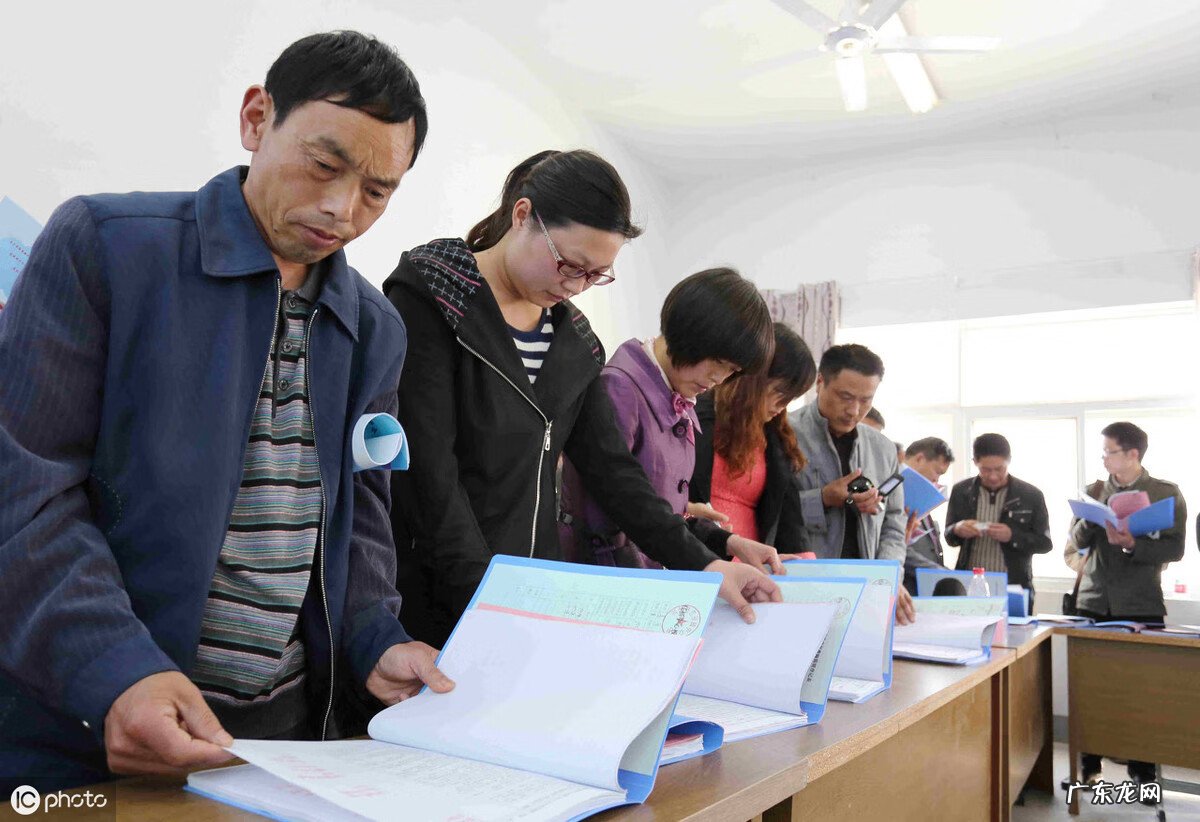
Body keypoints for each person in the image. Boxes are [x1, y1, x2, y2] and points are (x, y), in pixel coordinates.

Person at [0, 32, 452, 792]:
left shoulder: (374, 328)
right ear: (255, 119)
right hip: (93, 721)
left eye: (378, 191)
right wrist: (114, 667)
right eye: (324, 163)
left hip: (281, 740)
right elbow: (24, 489)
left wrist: (378, 638)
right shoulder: (107, 249)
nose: (342, 207)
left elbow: (360, 522)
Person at [384, 150, 780, 648]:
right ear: (523, 215)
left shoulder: (575, 341)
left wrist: (708, 563)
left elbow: (614, 472)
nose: (576, 285)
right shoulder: (436, 298)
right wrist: (486, 598)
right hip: (438, 591)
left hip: (529, 594)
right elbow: (429, 471)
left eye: (596, 275)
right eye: (569, 264)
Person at [559, 268, 781, 568]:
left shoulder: (679, 395)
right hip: (610, 576)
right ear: (691, 332)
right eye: (718, 362)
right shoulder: (620, 388)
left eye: (731, 370)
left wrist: (726, 541)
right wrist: (709, 562)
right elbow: (622, 508)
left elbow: (663, 509)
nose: (719, 378)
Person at [1063, 422, 1187, 789]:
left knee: (1142, 690)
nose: (1104, 459)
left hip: (1141, 602)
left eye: (1109, 452)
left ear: (1132, 454)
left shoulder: (1165, 493)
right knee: (1088, 691)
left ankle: (1142, 769)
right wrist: (1094, 518)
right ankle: (1089, 766)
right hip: (1093, 602)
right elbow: (1075, 541)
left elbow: (1175, 548)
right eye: (1103, 452)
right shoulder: (1094, 491)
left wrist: (1132, 543)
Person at [781, 343, 915, 623]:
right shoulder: (783, 434)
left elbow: (893, 523)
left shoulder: (883, 448)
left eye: (866, 400)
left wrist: (888, 577)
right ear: (820, 383)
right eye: (845, 396)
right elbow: (769, 516)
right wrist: (823, 498)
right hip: (802, 588)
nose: (854, 410)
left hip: (867, 594)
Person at [689, 323, 817, 551]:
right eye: (779, 393)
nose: (782, 407)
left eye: (790, 398)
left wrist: (803, 566)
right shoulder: (695, 415)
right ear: (753, 380)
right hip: (698, 559)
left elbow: (791, 524)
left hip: (753, 568)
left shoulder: (776, 437)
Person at [944, 434, 1051, 599]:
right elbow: (949, 538)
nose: (993, 476)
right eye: (985, 470)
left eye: (999, 469)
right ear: (975, 463)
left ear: (1009, 461)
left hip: (1014, 586)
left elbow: (1045, 544)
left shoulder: (1031, 495)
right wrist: (957, 529)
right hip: (969, 586)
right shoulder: (961, 491)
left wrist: (1012, 536)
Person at [900, 437, 955, 595]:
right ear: (920, 458)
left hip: (923, 587)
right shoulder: (897, 489)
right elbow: (899, 544)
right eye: (937, 471)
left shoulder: (920, 493)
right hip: (904, 586)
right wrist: (938, 571)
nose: (936, 479)